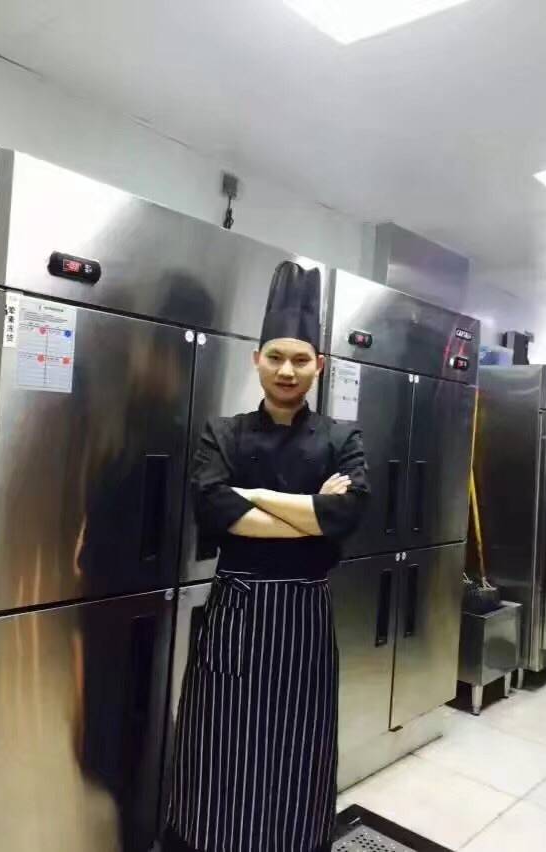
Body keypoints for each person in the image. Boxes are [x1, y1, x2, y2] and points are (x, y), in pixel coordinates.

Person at [166, 261, 370, 852]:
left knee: (300, 746)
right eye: (276, 357)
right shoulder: (224, 432)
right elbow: (213, 509)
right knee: (218, 743)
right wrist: (310, 513)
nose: (287, 370)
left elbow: (346, 517)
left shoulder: (341, 437)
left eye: (300, 359)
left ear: (318, 365)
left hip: (305, 623)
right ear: (256, 359)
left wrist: (252, 496)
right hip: (237, 615)